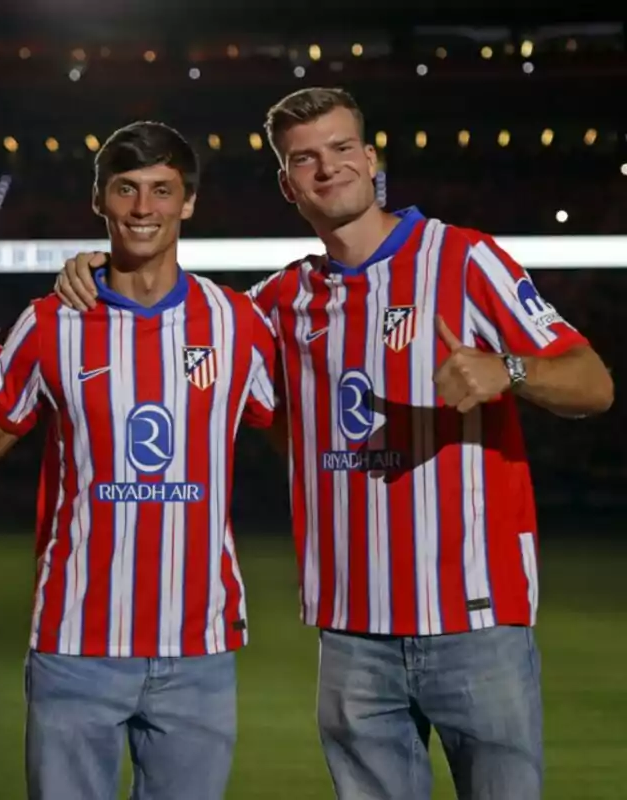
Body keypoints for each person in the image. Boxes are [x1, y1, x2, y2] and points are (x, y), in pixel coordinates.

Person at [53, 87, 615, 800]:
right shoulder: (280, 303)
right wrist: (95, 271)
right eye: (305, 159)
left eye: (342, 148)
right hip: (351, 636)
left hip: (474, 620)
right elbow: (170, 325)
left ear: (372, 158)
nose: (328, 168)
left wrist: (507, 369)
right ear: (288, 185)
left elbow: (594, 383)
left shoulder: (465, 259)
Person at [0, 121, 278, 800]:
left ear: (189, 203)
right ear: (100, 200)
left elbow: (307, 442)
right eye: (126, 189)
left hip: (199, 646)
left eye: (162, 190)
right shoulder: (49, 323)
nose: (144, 207)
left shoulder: (238, 325)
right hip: (76, 646)